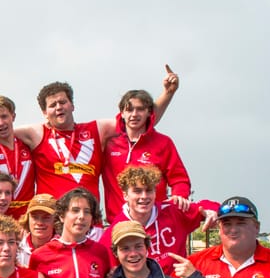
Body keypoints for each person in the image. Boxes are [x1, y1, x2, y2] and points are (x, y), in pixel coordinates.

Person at [13, 67, 179, 204]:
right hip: (53, 220)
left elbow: (138, 120)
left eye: (63, 102)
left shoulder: (96, 130)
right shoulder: (36, 133)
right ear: (44, 112)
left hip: (89, 220)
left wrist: (168, 93)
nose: (58, 107)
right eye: (52, 105)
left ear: (72, 105)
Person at [102, 166, 218, 277]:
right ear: (125, 195)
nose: (144, 196)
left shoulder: (173, 211)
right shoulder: (115, 230)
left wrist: (212, 211)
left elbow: (209, 206)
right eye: (137, 191)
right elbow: (100, 263)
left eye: (149, 191)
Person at [101, 89, 192, 221]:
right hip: (119, 223)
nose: (134, 114)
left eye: (140, 109)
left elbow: (180, 179)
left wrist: (180, 196)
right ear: (122, 113)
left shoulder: (163, 142)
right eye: (129, 109)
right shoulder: (107, 144)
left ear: (149, 112)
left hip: (155, 221)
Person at [17, 193, 58, 267]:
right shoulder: (16, 246)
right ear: (27, 218)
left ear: (56, 220)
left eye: (46, 217)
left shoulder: (64, 248)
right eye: (35, 217)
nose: (39, 223)